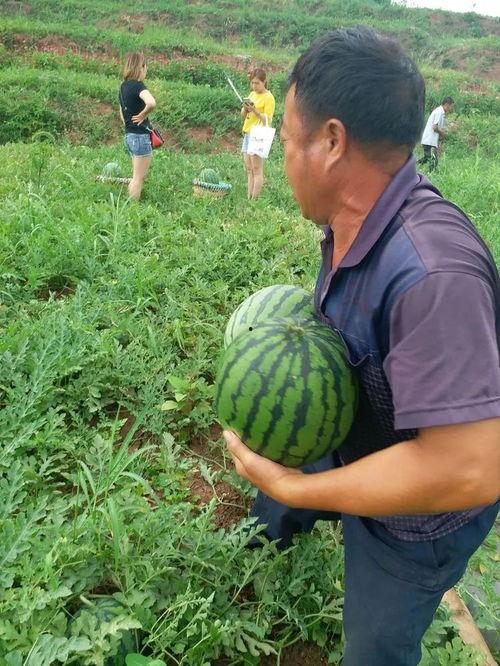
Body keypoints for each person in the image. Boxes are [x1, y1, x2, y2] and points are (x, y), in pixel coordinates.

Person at [224, 27, 499, 666]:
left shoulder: (433, 277)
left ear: (331, 141)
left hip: (418, 516)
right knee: (277, 497)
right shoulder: (352, 220)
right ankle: (259, 549)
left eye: (287, 142)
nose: (285, 160)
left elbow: (469, 468)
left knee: (374, 646)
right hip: (360, 428)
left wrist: (302, 488)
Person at [119, 52, 157, 200]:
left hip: (129, 135)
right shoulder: (138, 86)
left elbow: (121, 112)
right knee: (138, 178)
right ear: (141, 67)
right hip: (140, 137)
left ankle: (130, 205)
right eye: (145, 67)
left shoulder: (123, 87)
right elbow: (151, 103)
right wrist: (143, 114)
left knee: (136, 176)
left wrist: (129, 124)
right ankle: (133, 208)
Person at [240, 68, 275, 200]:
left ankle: (254, 200)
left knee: (256, 169)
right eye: (252, 83)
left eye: (257, 83)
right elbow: (243, 115)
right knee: (249, 168)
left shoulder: (269, 97)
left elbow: (267, 120)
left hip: (258, 135)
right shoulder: (252, 94)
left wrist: (255, 110)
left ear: (264, 82)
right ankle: (249, 197)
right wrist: (245, 108)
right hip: (247, 133)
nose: (254, 86)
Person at [418, 96, 454, 171]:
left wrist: (440, 139)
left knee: (428, 158)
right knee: (432, 160)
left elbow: (438, 129)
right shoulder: (439, 112)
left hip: (430, 140)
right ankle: (425, 171)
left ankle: (415, 167)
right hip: (429, 140)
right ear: (447, 104)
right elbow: (434, 127)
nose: (451, 109)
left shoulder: (441, 112)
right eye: (451, 106)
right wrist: (443, 133)